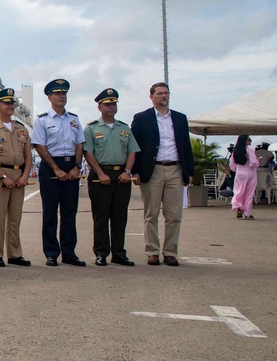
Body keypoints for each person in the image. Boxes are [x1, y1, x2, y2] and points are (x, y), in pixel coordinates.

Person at [131, 82, 195, 266]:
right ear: (151, 97)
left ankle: (170, 252)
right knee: (151, 214)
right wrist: (135, 171)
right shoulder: (142, 118)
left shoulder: (180, 118)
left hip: (176, 168)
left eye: (166, 93)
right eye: (159, 94)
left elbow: (186, 146)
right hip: (153, 170)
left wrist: (189, 172)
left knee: (174, 215)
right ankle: (152, 251)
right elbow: (134, 146)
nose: (163, 96)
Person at [31, 79, 86, 267]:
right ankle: (51, 253)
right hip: (51, 166)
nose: (61, 96)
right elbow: (39, 145)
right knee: (50, 213)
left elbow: (79, 144)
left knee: (70, 212)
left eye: (64, 93)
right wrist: (56, 169)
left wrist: (76, 167)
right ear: (49, 97)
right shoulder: (42, 120)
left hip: (71, 166)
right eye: (57, 93)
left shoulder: (74, 119)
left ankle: (69, 252)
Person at [83, 88, 139, 267]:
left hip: (121, 175)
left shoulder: (124, 128)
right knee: (101, 217)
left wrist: (127, 172)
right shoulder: (91, 128)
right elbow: (88, 153)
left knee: (119, 216)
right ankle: (101, 253)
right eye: (107, 104)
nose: (111, 107)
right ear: (99, 107)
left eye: (113, 104)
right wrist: (100, 173)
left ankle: (119, 253)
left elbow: (132, 152)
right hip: (101, 176)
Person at [0, 88, 32, 267]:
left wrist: (25, 175)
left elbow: (28, 154)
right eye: (7, 103)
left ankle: (15, 254)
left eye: (12, 103)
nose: (11, 106)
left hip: (19, 175)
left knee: (15, 217)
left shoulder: (21, 128)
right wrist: (3, 176)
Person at [230, 134, 259, 219]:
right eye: (249, 139)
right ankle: (247, 213)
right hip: (250, 173)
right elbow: (253, 163)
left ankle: (238, 207)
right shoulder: (250, 150)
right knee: (249, 193)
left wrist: (237, 169)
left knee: (238, 191)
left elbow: (232, 165)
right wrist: (258, 162)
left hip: (239, 173)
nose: (250, 141)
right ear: (245, 140)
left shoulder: (235, 151)